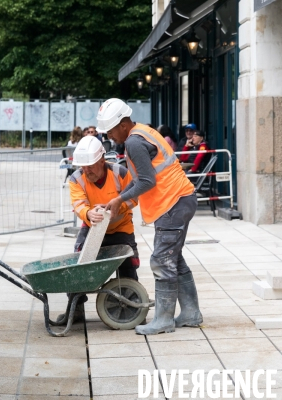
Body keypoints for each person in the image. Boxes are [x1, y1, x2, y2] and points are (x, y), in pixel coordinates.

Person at [98, 98, 202, 336]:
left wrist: (119, 200)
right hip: (180, 199)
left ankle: (164, 320)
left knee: (161, 260)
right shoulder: (141, 131)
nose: (110, 136)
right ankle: (190, 313)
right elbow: (141, 180)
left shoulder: (134, 143)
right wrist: (118, 199)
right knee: (172, 259)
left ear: (123, 124)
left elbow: (146, 181)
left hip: (173, 202)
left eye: (111, 130)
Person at [57, 136, 139, 323]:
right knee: (80, 265)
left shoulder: (120, 172)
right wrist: (88, 213)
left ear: (102, 160)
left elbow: (134, 198)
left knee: (129, 264)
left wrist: (117, 206)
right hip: (93, 227)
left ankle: (133, 306)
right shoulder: (76, 178)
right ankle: (75, 309)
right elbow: (78, 204)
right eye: (83, 167)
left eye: (91, 166)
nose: (87, 171)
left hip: (121, 226)